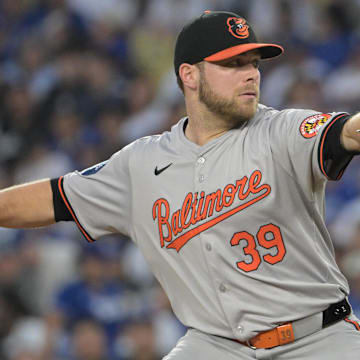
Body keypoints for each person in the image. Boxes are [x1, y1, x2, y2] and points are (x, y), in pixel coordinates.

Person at [1, 10, 360, 359]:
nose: (250, 74)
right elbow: (53, 198)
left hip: (318, 337)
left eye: (253, 63)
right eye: (233, 64)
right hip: (216, 345)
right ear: (189, 74)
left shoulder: (282, 130)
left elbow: (345, 133)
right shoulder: (141, 164)